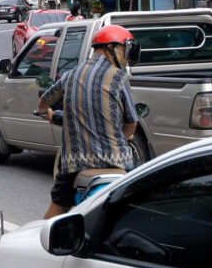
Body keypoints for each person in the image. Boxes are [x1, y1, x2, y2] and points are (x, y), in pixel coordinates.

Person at [36, 24, 140, 219]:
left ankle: (44, 244)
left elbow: (44, 103)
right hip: (118, 163)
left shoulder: (70, 75)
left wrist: (45, 112)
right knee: (136, 205)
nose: (125, 57)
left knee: (55, 212)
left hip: (74, 165)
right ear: (111, 49)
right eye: (124, 51)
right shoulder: (118, 78)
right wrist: (123, 137)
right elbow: (131, 124)